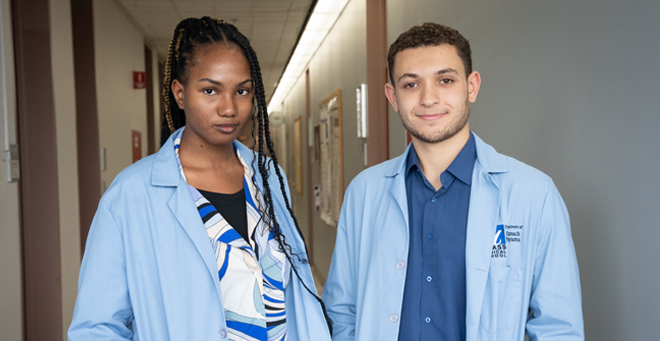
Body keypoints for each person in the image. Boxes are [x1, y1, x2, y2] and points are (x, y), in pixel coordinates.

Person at [68, 17, 331, 341]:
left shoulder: (269, 178)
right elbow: (96, 328)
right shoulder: (131, 195)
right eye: (210, 90)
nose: (229, 108)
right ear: (180, 94)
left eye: (242, 91)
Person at [323, 22, 583, 341]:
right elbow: (341, 311)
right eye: (410, 84)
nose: (429, 98)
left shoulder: (533, 194)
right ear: (392, 96)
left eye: (445, 80)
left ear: (471, 87)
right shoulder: (364, 192)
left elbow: (557, 327)